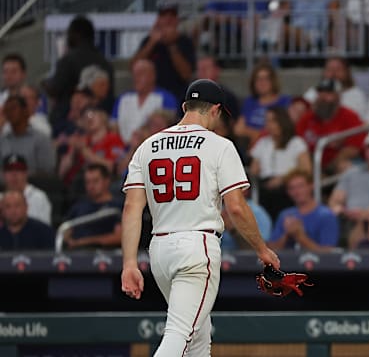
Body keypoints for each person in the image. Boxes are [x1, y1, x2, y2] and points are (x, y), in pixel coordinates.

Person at [120, 78, 279, 355]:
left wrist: (130, 262)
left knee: (197, 340)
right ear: (216, 109)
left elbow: (132, 208)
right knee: (179, 335)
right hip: (196, 248)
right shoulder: (220, 145)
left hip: (159, 250)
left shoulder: (147, 146)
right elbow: (237, 208)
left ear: (185, 106)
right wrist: (262, 249)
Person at [42, 15, 114, 128]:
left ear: (75, 34)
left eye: (69, 33)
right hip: (100, 121)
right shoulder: (105, 63)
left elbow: (55, 89)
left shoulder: (68, 59)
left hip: (69, 121)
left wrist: (44, 83)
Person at [249, 106, 311, 220]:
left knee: (279, 194)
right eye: (267, 121)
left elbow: (306, 170)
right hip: (265, 184)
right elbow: (254, 169)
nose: (269, 124)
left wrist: (283, 178)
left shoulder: (296, 143)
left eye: (273, 121)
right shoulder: (263, 143)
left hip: (287, 183)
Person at [131, 1, 196, 101]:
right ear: (158, 20)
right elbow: (133, 66)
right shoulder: (149, 40)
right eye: (164, 16)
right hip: (151, 94)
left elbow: (186, 74)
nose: (168, 19)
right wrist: (151, 43)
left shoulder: (185, 41)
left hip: (177, 94)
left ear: (177, 20)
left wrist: (171, 45)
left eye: (172, 16)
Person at [268, 169, 339, 252]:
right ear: (288, 192)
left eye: (301, 186)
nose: (297, 192)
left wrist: (300, 237)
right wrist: (286, 234)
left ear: (310, 186)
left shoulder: (326, 215)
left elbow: (329, 253)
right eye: (292, 188)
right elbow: (271, 249)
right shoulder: (285, 215)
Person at [112, 59, 179, 144]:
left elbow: (170, 129)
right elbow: (113, 126)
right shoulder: (123, 99)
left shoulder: (166, 98)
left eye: (141, 74)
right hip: (123, 151)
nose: (136, 78)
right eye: (134, 74)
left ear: (153, 76)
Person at [64, 164, 123, 250]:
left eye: (95, 181)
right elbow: (66, 231)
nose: (91, 186)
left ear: (107, 181)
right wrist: (68, 240)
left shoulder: (117, 206)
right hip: (76, 254)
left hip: (106, 254)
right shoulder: (78, 206)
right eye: (88, 182)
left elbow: (119, 237)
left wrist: (84, 242)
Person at [234, 63, 291, 148]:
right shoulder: (249, 102)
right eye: (258, 79)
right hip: (252, 146)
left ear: (273, 81)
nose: (262, 83)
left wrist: (254, 134)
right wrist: (259, 134)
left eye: (266, 79)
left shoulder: (285, 101)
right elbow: (238, 130)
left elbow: (284, 129)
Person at [0, 95, 56, 176]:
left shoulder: (41, 139)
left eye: (13, 108)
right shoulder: (2, 140)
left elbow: (47, 172)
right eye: (7, 110)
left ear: (25, 111)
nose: (9, 113)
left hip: (34, 186)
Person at [1, 154, 52, 226]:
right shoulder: (1, 198)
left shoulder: (39, 198)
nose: (14, 174)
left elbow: (44, 231)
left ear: (26, 173)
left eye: (18, 170)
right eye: (9, 170)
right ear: (3, 175)